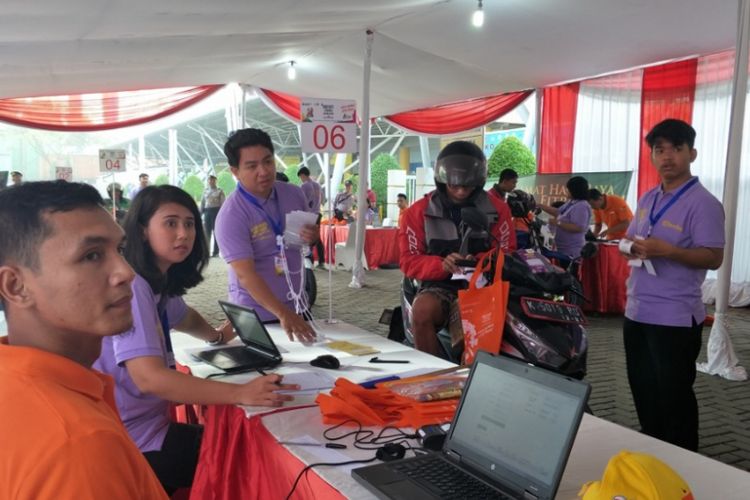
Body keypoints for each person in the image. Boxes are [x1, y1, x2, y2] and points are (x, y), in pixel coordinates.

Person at [93, 185, 297, 494]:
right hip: (134, 441)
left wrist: (216, 336)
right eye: (170, 223)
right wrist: (240, 393)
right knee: (249, 461)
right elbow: (150, 379)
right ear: (143, 230)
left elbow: (184, 317)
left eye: (189, 223)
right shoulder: (134, 287)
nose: (183, 234)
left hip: (146, 428)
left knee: (231, 444)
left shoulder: (157, 282)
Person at [0, 181, 167, 499]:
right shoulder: (78, 442)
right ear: (16, 286)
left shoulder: (15, 379)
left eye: (118, 250)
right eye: (91, 256)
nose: (125, 272)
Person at [622, 119, 724, 452]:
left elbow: (714, 258)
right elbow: (632, 238)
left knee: (674, 397)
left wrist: (670, 251)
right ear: (651, 156)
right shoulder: (648, 198)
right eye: (659, 150)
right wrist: (630, 246)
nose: (667, 157)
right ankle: (654, 459)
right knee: (644, 392)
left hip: (674, 316)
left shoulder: (704, 203)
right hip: (637, 310)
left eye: (676, 149)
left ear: (691, 153)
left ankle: (684, 466)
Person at [399, 141, 516, 356]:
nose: (461, 191)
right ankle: (434, 374)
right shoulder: (417, 213)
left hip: (488, 284)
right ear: (442, 181)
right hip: (441, 285)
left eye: (467, 186)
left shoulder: (499, 210)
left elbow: (508, 251)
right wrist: (441, 264)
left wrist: (481, 260)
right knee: (422, 311)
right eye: (455, 186)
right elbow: (408, 260)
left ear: (478, 182)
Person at [215, 128, 319, 342]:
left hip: (296, 304)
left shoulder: (293, 193)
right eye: (252, 166)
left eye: (268, 161)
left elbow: (304, 242)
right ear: (235, 171)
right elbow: (246, 275)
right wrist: (282, 313)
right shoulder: (232, 214)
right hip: (255, 315)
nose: (263, 171)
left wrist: (313, 236)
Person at [538, 176, 592, 266]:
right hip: (562, 248)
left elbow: (578, 227)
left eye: (568, 189)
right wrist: (540, 205)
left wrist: (557, 223)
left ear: (574, 190)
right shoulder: (572, 202)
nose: (566, 191)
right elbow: (558, 212)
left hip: (573, 250)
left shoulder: (582, 206)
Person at [298, 166, 325, 267]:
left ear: (303, 175)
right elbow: (322, 199)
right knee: (317, 238)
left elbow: (301, 200)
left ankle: (310, 261)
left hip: (309, 214)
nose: (301, 179)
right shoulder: (318, 185)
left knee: (307, 237)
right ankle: (321, 261)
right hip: (318, 214)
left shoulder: (304, 186)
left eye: (301, 177)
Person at [201, 174, 226, 257]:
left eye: (212, 180)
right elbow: (203, 203)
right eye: (209, 180)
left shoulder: (219, 191)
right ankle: (206, 251)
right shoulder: (205, 191)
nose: (210, 181)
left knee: (216, 232)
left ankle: (216, 252)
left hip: (216, 212)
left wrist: (222, 216)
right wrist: (200, 213)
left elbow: (223, 204)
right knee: (207, 233)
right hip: (207, 212)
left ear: (215, 181)